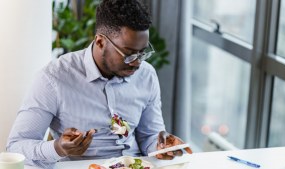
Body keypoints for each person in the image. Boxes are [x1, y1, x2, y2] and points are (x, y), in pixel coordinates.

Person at [6, 0, 193, 168]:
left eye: (143, 53)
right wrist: (58, 148)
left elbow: (149, 136)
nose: (137, 62)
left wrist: (162, 146)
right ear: (101, 41)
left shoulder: (147, 75)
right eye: (129, 54)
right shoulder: (53, 78)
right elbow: (17, 146)